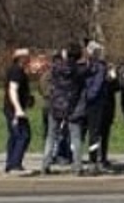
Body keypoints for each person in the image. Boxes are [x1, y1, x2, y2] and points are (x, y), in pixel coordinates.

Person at [41, 44, 86, 176]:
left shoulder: (56, 68)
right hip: (72, 106)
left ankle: (45, 165)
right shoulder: (79, 71)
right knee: (76, 137)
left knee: (51, 136)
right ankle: (77, 166)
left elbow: (49, 78)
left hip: (56, 104)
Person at [79, 41, 115, 175]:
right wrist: (89, 96)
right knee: (92, 133)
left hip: (88, 102)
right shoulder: (99, 67)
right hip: (94, 103)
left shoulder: (89, 65)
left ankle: (90, 160)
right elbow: (97, 85)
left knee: (88, 133)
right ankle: (92, 162)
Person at [3, 48, 34, 175]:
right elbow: (12, 90)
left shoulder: (19, 71)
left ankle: (10, 164)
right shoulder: (16, 71)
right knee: (23, 135)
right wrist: (18, 109)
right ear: (20, 58)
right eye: (26, 57)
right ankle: (15, 164)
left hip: (13, 108)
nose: (29, 59)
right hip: (14, 110)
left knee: (15, 136)